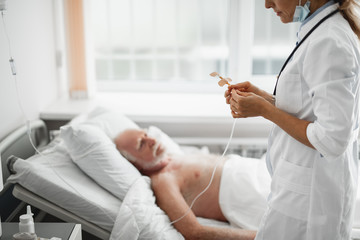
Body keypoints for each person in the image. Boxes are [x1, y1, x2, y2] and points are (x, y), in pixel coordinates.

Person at [225, 0, 360, 239]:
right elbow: (310, 107)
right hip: (301, 190)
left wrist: (265, 110)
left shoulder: (329, 41)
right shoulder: (319, 30)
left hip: (311, 200)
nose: (267, 5)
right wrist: (264, 98)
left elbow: (332, 139)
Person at [115, 127, 270, 240]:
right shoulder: (163, 180)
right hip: (250, 195)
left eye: (146, 134)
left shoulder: (173, 156)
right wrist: (260, 236)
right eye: (141, 144)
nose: (152, 140)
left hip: (260, 172)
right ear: (136, 164)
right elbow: (194, 232)